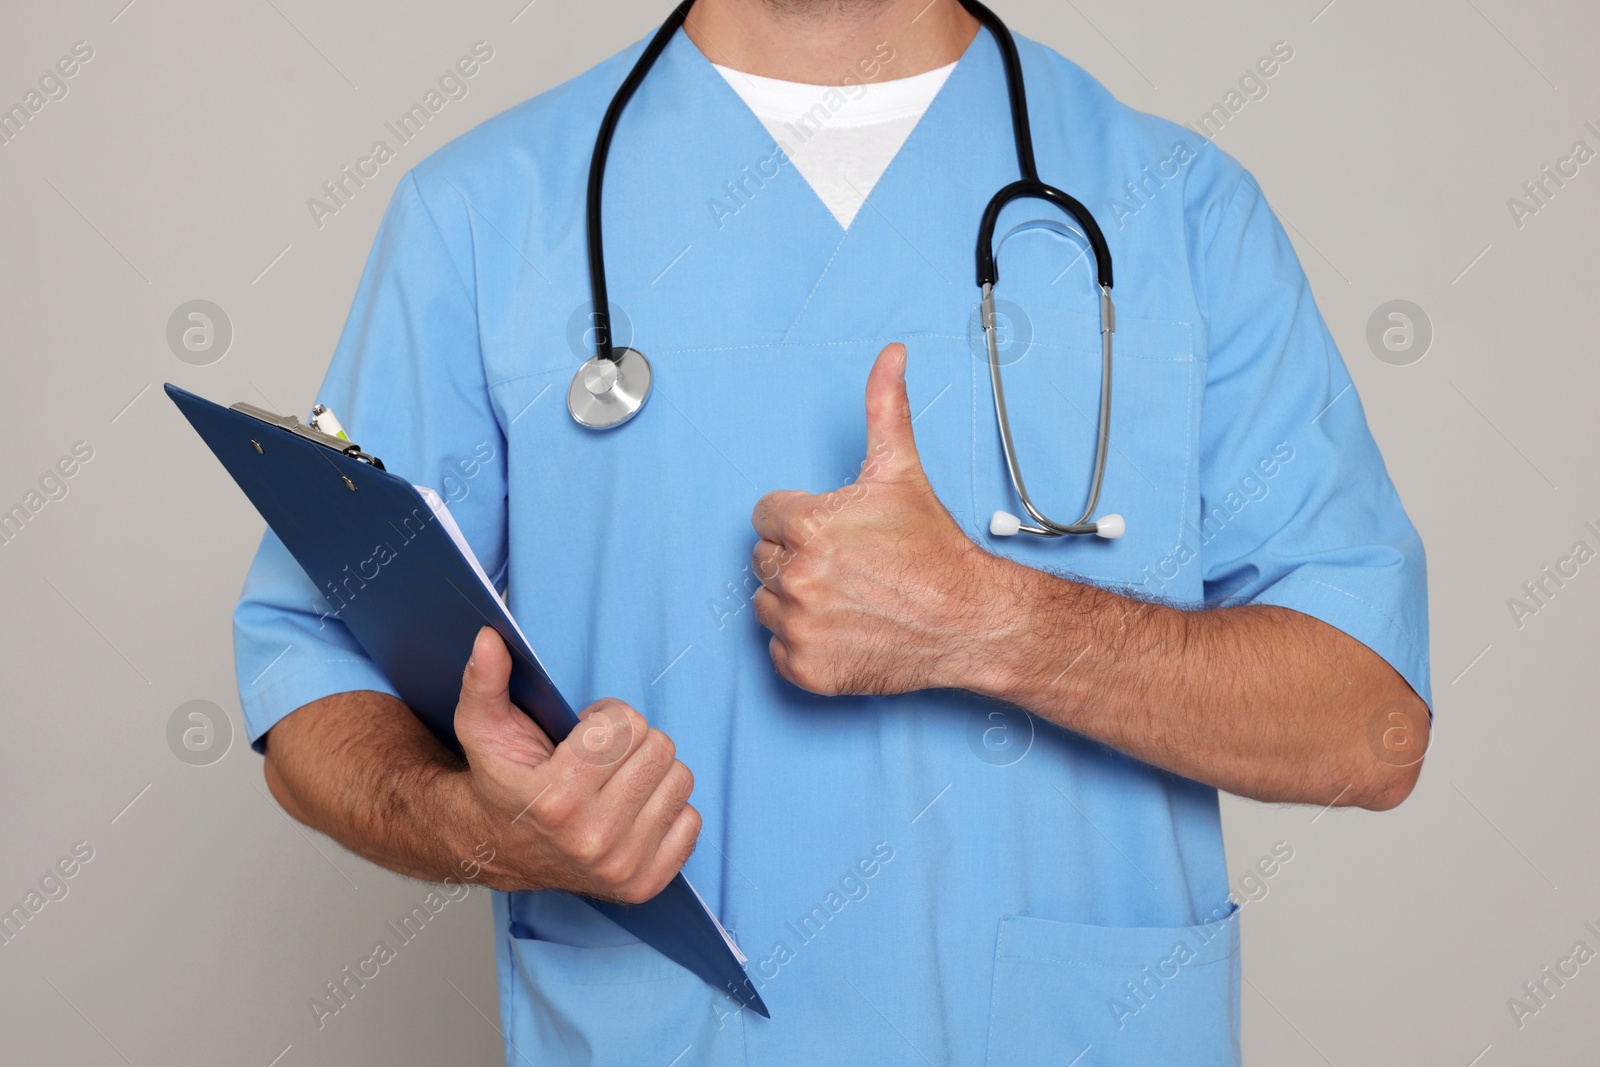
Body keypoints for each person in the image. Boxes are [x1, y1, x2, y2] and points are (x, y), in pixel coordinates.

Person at [236, 0, 1431, 1062]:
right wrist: (472, 825)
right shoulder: (486, 216)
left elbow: (1369, 725)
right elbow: (314, 669)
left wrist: (992, 624)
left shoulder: (1172, 209)